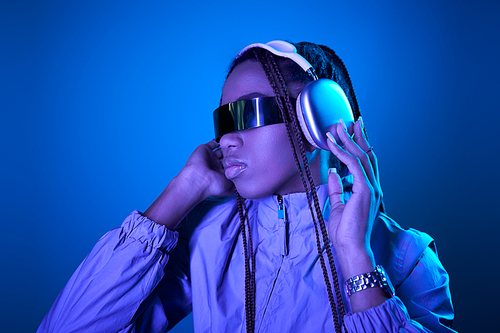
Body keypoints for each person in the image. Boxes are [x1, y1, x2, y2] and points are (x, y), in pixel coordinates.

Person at [37, 41, 455, 333]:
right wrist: (183, 190)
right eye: (222, 121)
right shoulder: (208, 240)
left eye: (249, 113)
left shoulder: (409, 258)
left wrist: (356, 260)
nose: (226, 140)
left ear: (322, 120)